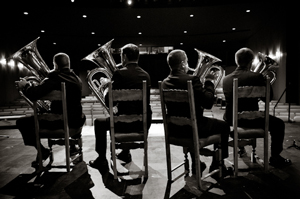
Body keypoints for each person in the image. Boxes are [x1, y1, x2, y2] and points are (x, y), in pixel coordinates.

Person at [162, 49, 231, 177]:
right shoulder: (192, 80)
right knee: (224, 126)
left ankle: (195, 162)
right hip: (193, 129)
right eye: (187, 61)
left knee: (192, 122)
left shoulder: (164, 83)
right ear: (183, 63)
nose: (188, 64)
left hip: (175, 130)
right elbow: (208, 103)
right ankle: (217, 163)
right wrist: (210, 83)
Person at [222, 47, 292, 168]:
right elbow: (268, 99)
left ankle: (241, 147)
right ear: (251, 62)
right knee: (279, 124)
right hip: (253, 120)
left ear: (236, 61)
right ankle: (275, 157)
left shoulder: (226, 79)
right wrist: (266, 82)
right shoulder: (258, 77)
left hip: (231, 118)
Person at [89, 43, 152, 173]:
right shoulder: (146, 75)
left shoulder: (119, 74)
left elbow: (108, 102)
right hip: (142, 124)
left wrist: (107, 87)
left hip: (122, 124)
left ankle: (101, 159)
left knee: (99, 122)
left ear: (124, 57)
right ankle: (125, 153)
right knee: (127, 112)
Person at [15, 52, 86, 166]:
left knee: (21, 122)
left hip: (59, 122)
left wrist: (26, 85)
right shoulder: (76, 78)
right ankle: (72, 146)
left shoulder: (54, 78)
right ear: (68, 64)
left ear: (56, 65)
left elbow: (34, 94)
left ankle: (42, 151)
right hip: (76, 121)